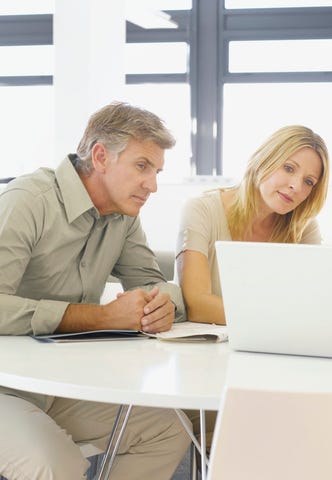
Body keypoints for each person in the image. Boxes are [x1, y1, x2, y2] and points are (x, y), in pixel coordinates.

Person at [0, 102, 191, 479]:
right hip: (5, 386)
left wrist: (163, 305)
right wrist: (100, 318)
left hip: (57, 385)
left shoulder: (123, 218)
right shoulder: (27, 201)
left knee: (167, 428)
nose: (152, 185)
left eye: (156, 171)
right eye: (142, 166)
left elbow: (152, 282)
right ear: (101, 156)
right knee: (59, 467)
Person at [176, 125, 330, 326]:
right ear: (263, 160)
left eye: (309, 182)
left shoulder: (304, 228)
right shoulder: (201, 210)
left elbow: (313, 302)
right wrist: (277, 319)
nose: (296, 186)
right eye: (289, 168)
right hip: (204, 350)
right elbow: (197, 306)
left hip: (273, 346)